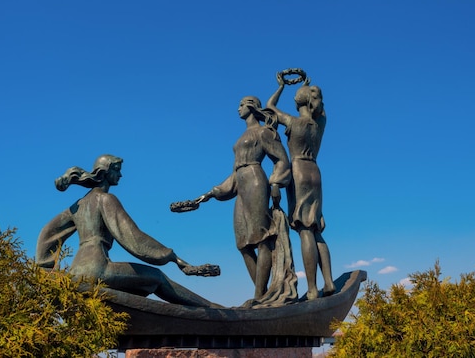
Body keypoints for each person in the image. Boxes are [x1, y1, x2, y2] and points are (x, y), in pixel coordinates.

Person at [36, 154, 219, 307]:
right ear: (106, 172)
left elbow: (47, 233)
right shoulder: (106, 199)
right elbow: (133, 238)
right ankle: (212, 310)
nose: (121, 175)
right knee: (157, 278)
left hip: (76, 271)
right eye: (117, 169)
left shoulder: (78, 205)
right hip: (97, 269)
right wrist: (173, 258)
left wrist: (46, 269)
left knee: (141, 286)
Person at [197, 96, 292, 301]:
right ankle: (265, 292)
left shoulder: (264, 132)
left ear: (251, 106)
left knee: (261, 238)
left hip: (256, 181)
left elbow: (282, 160)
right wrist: (212, 193)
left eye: (241, 104)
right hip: (241, 184)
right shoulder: (242, 136)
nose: (238, 108)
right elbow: (233, 174)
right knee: (243, 244)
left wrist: (276, 183)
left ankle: (258, 295)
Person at [267, 79, 336, 300]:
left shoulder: (292, 122)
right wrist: (309, 85)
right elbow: (322, 112)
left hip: (298, 171)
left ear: (298, 103)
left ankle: (313, 289)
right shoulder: (319, 125)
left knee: (305, 228)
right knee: (316, 228)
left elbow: (269, 108)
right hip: (315, 172)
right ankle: (328, 281)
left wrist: (281, 86)